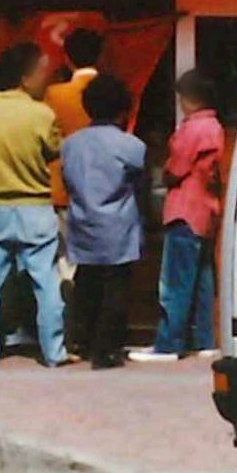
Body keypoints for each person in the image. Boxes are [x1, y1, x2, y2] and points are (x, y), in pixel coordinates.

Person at [0, 44, 66, 367]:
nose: (45, 79)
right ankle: (53, 353)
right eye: (41, 72)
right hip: (35, 207)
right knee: (46, 283)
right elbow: (54, 150)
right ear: (25, 77)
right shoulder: (42, 114)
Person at [60, 72, 147, 370]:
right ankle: (106, 349)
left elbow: (67, 180)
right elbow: (140, 183)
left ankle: (81, 340)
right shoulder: (131, 146)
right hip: (117, 226)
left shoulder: (70, 144)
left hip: (82, 221)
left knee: (86, 283)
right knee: (116, 287)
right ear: (122, 109)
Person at [140, 66, 226, 360]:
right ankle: (203, 340)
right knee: (202, 281)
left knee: (175, 282)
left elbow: (175, 168)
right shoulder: (216, 127)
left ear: (187, 99)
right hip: (206, 210)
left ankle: (168, 342)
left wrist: (164, 171)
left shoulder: (191, 129)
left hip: (183, 211)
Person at [45, 29, 104, 351]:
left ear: (66, 56)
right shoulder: (110, 90)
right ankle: (92, 329)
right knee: (97, 265)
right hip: (102, 188)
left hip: (61, 187)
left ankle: (67, 332)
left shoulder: (55, 94)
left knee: (63, 263)